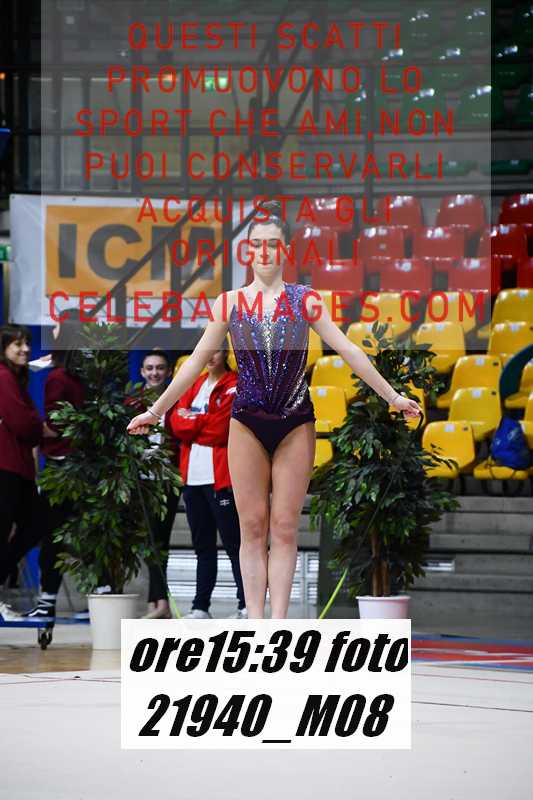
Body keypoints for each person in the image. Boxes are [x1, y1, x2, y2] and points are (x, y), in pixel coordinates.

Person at [127, 202, 422, 619]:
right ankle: (256, 621)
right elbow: (195, 362)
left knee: (284, 527)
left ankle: (278, 624)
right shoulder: (229, 303)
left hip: (294, 422)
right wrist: (155, 411)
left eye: (272, 244)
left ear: (285, 251)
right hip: (246, 422)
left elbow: (348, 349)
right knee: (251, 527)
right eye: (257, 244)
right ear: (247, 251)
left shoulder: (305, 299)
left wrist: (393, 397)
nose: (264, 252)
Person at [169, 345, 246, 620]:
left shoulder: (234, 384)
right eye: (206, 351)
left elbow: (221, 430)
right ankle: (200, 607)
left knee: (235, 545)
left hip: (220, 478)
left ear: (225, 353)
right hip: (192, 478)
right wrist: (200, 422)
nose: (211, 356)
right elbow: (176, 424)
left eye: (216, 351)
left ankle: (246, 606)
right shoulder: (194, 383)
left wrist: (192, 422)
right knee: (202, 547)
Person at [23, 319, 85, 620]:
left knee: (52, 534)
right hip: (82, 465)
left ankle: (47, 600)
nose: (52, 334)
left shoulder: (57, 378)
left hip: (61, 467)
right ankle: (101, 593)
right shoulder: (78, 375)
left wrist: (30, 428)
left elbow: (55, 424)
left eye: (58, 329)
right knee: (83, 532)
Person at [0, 325, 54, 621]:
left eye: (26, 344)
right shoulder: (3, 376)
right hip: (6, 468)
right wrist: (38, 426)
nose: (25, 349)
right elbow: (24, 423)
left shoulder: (15, 377)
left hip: (17, 469)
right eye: (17, 344)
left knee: (36, 523)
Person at [132, 350, 180, 619]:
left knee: (159, 540)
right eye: (149, 368)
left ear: (169, 372)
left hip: (166, 480)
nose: (154, 373)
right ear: (141, 372)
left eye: (160, 368)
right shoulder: (133, 402)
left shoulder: (176, 400)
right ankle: (157, 603)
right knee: (148, 541)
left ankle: (160, 604)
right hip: (140, 481)